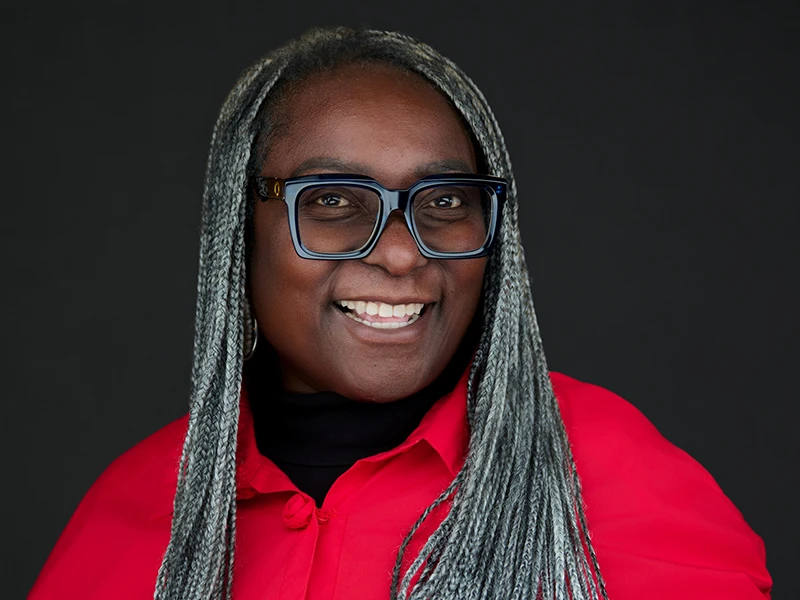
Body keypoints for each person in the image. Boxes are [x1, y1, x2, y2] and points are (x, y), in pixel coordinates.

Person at [29, 27, 772, 600]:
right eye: (331, 202)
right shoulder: (136, 507)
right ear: (239, 232)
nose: (400, 254)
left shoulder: (613, 478)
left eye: (445, 202)